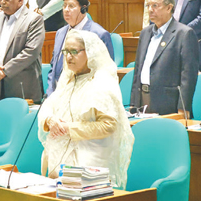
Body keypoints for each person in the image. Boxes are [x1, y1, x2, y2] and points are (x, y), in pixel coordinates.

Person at [38, 29, 134, 188]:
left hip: (88, 165)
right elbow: (49, 106)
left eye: (74, 51)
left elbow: (109, 125)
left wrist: (69, 129)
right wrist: (50, 120)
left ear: (89, 52)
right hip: (60, 162)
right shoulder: (68, 78)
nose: (68, 57)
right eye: (66, 51)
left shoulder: (101, 81)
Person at [131, 0, 198, 115]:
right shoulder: (145, 33)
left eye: (155, 5)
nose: (150, 9)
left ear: (169, 8)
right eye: (148, 5)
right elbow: (138, 70)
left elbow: (188, 76)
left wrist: (183, 108)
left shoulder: (184, 33)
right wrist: (134, 104)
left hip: (168, 103)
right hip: (142, 98)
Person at [0, 0, 44, 102]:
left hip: (23, 88)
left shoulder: (34, 19)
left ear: (20, 0)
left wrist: (4, 71)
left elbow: (31, 51)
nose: (2, 2)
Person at [47, 0, 114, 96]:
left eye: (71, 6)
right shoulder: (60, 33)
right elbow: (53, 67)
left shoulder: (98, 34)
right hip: (58, 97)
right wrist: (50, 94)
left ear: (83, 9)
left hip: (84, 97)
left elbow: (105, 72)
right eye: (64, 6)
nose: (66, 10)